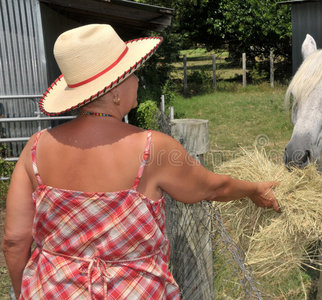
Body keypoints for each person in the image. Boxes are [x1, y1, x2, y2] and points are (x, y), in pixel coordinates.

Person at [2, 24, 280, 299]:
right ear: (114, 91)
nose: (137, 79)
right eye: (132, 73)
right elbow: (212, 188)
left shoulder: (35, 148)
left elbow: (14, 241)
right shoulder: (152, 148)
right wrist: (254, 189)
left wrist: (22, 291)